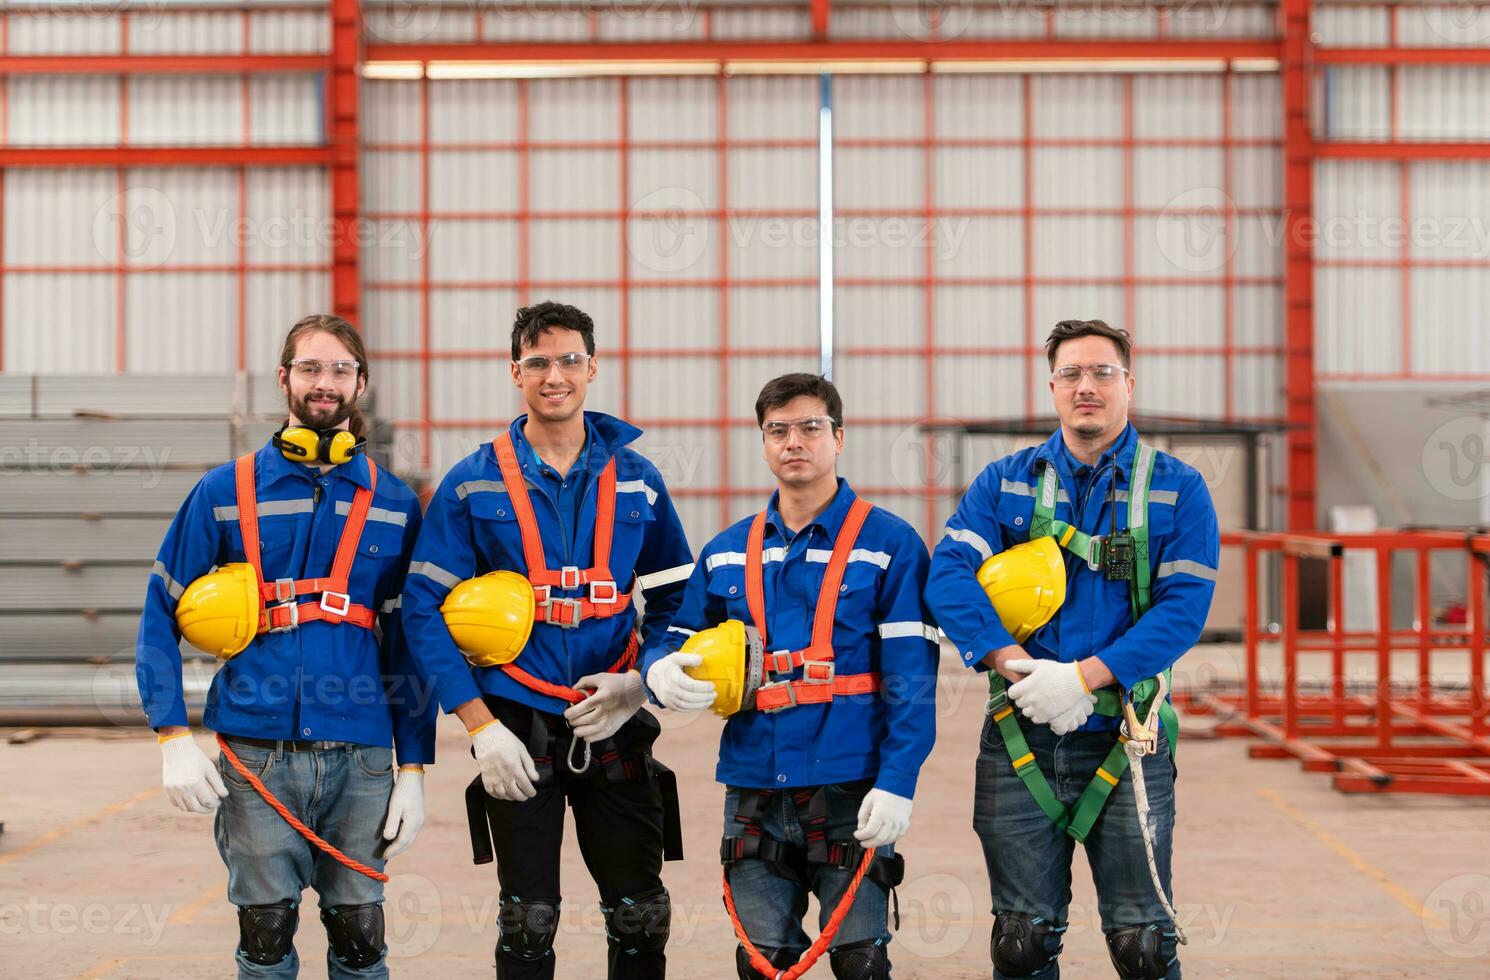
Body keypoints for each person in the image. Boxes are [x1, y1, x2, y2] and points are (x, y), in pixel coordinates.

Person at [135, 314, 435, 979]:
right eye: (310, 368)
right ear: (284, 379)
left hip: (361, 759)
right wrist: (171, 735)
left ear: (361, 382)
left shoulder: (394, 504)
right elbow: (160, 612)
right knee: (265, 939)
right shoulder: (223, 493)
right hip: (257, 752)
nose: (324, 383)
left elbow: (412, 644)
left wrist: (414, 768)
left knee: (361, 938)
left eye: (338, 370)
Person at [400, 301, 695, 979]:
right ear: (515, 372)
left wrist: (640, 682)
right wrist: (478, 725)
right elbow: (422, 607)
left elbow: (680, 601)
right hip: (517, 724)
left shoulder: (640, 481)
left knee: (640, 916)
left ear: (592, 367)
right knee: (527, 922)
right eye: (537, 362)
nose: (553, 374)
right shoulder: (472, 482)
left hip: (614, 720)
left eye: (568, 359)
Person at [927, 319, 1220, 980]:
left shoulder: (1179, 490)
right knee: (1020, 941)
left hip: (1129, 735)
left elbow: (1182, 612)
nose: (1086, 387)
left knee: (1142, 945)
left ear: (1128, 385)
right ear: (1052, 386)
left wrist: (1085, 678)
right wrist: (1011, 661)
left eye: (1102, 373)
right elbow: (947, 576)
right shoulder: (1004, 484)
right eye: (1072, 375)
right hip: (1018, 731)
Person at [644, 372, 939, 980]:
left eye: (810, 427)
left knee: (860, 964)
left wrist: (899, 781)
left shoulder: (890, 545)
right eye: (777, 430)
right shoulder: (726, 551)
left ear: (838, 437)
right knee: (761, 967)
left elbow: (912, 680)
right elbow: (673, 635)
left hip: (852, 791)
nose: (793, 441)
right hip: (753, 789)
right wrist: (657, 670)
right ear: (763, 441)